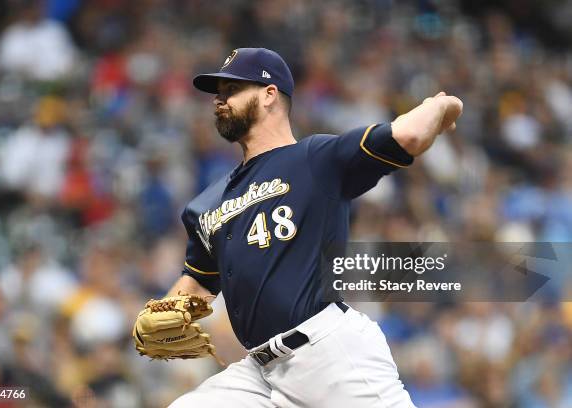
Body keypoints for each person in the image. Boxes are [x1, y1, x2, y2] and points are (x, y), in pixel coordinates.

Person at [159, 47, 462, 407]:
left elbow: (409, 136)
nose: (219, 100)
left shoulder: (315, 159)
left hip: (328, 353)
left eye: (232, 90)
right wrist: (165, 312)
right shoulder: (208, 203)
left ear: (269, 94)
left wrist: (443, 105)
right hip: (260, 372)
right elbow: (199, 281)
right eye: (218, 92)